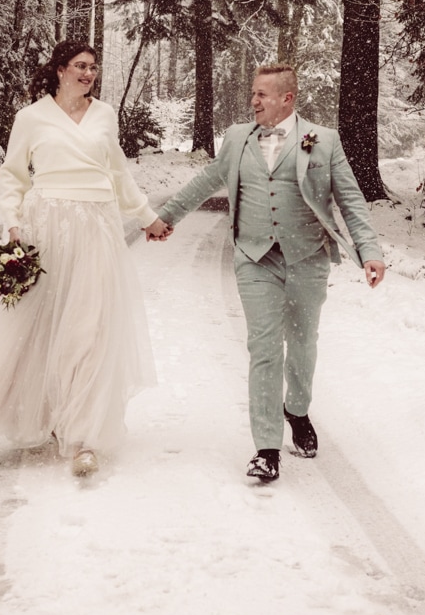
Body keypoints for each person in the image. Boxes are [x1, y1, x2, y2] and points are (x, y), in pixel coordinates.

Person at [0, 39, 171, 477]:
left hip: (97, 227)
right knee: (43, 326)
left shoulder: (105, 116)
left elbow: (118, 174)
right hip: (48, 228)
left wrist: (147, 217)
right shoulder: (31, 118)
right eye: (81, 66)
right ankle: (37, 416)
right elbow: (12, 177)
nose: (89, 74)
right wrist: (13, 228)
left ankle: (83, 436)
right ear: (60, 69)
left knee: (90, 328)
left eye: (94, 68)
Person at [148, 65, 385, 483]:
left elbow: (350, 199)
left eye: (261, 94)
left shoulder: (322, 140)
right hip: (255, 256)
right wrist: (166, 216)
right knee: (264, 348)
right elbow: (207, 180)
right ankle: (266, 448)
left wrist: (370, 252)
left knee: (303, 342)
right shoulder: (238, 138)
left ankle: (296, 409)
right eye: (253, 93)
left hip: (308, 256)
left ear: (287, 99)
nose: (253, 101)